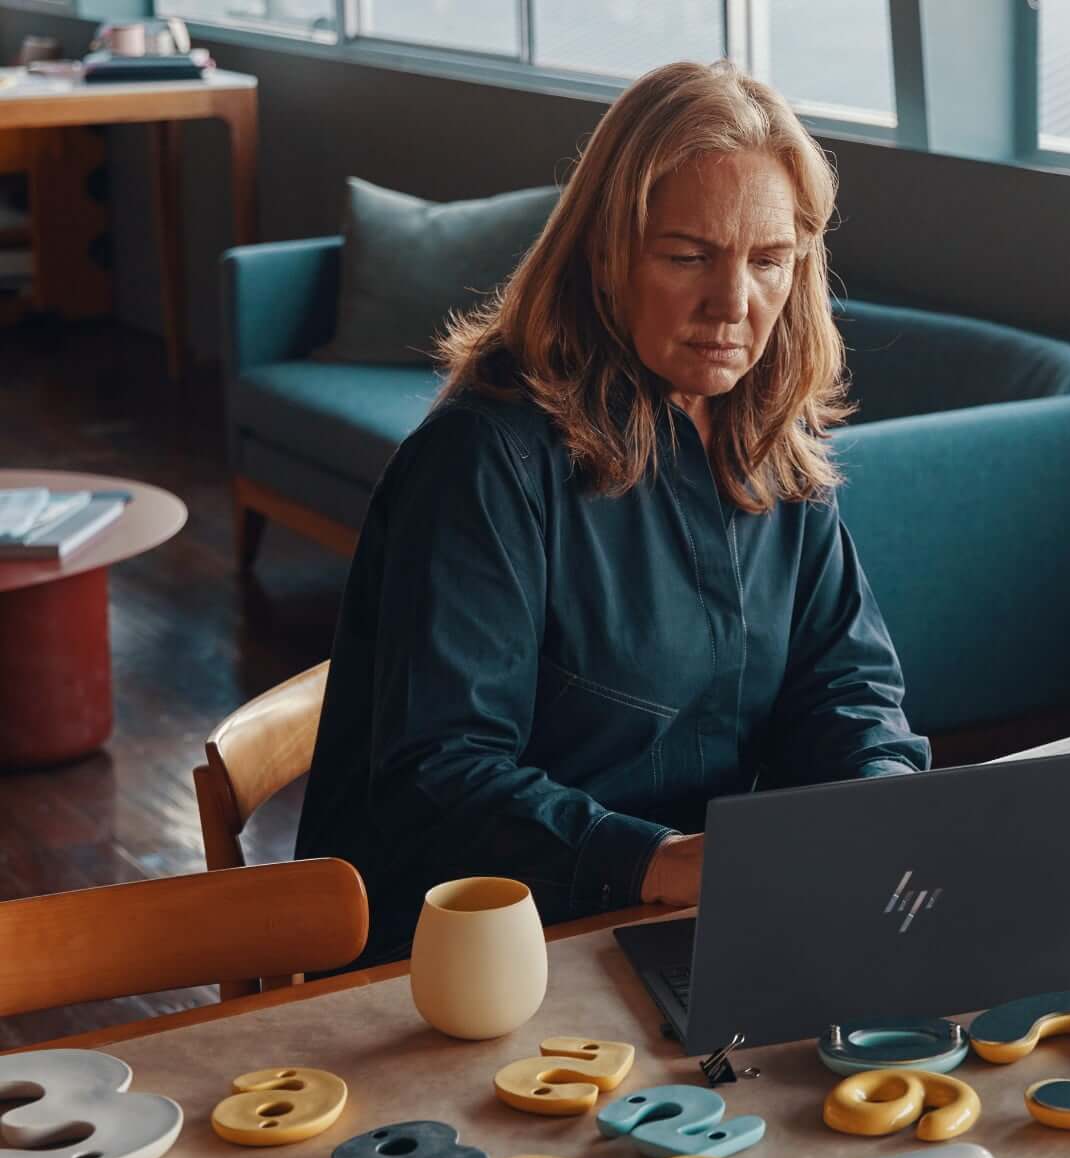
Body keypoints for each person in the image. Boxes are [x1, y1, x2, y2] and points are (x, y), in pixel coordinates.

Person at [298, 60, 928, 965]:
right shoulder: (483, 461)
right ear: (605, 253)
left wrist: (876, 787)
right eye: (687, 256)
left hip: (693, 925)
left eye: (768, 261)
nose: (733, 304)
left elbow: (847, 685)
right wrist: (666, 864)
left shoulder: (763, 437)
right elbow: (440, 779)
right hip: (487, 953)